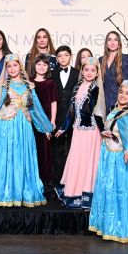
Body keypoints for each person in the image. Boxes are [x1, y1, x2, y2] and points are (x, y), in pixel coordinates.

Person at [0, 54, 54, 207]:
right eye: (9, 66)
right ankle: (4, 192)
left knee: (22, 157)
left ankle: (21, 192)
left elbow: (36, 109)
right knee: (6, 157)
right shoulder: (3, 86)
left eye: (15, 65)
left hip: (23, 128)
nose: (12, 69)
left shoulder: (29, 86)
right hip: (5, 127)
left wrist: (46, 127)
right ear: (6, 69)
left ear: (20, 66)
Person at [89, 82, 128, 244]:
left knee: (120, 191)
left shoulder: (126, 115)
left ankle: (122, 228)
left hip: (119, 159)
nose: (123, 95)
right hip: (109, 155)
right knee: (109, 189)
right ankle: (109, 226)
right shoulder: (115, 110)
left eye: (127, 93)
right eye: (121, 92)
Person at [54, 57, 105, 209]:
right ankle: (73, 191)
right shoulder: (77, 87)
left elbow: (96, 112)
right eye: (86, 70)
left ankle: (87, 194)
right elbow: (72, 110)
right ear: (82, 71)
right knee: (77, 159)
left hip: (91, 131)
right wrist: (63, 127)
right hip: (78, 131)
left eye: (92, 70)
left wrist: (103, 130)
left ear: (97, 73)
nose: (89, 73)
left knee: (89, 161)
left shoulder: (96, 89)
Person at [52, 45, 79, 185]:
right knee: (57, 150)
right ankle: (57, 181)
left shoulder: (78, 73)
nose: (63, 58)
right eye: (60, 56)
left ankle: (71, 181)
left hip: (74, 116)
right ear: (56, 59)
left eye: (66, 55)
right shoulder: (52, 74)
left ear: (71, 56)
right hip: (56, 117)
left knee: (73, 149)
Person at [31, 55, 58, 187]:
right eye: (39, 64)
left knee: (45, 151)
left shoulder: (50, 83)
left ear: (48, 67)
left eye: (45, 65)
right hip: (32, 121)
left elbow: (54, 102)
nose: (41, 67)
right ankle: (33, 179)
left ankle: (46, 181)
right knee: (33, 149)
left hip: (45, 121)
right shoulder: (29, 83)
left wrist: (52, 122)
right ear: (34, 66)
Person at [100, 31, 128, 108]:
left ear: (119, 43)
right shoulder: (100, 60)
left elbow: (126, 81)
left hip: (118, 100)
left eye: (115, 40)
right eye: (109, 39)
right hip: (102, 100)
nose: (112, 42)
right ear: (106, 43)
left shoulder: (126, 58)